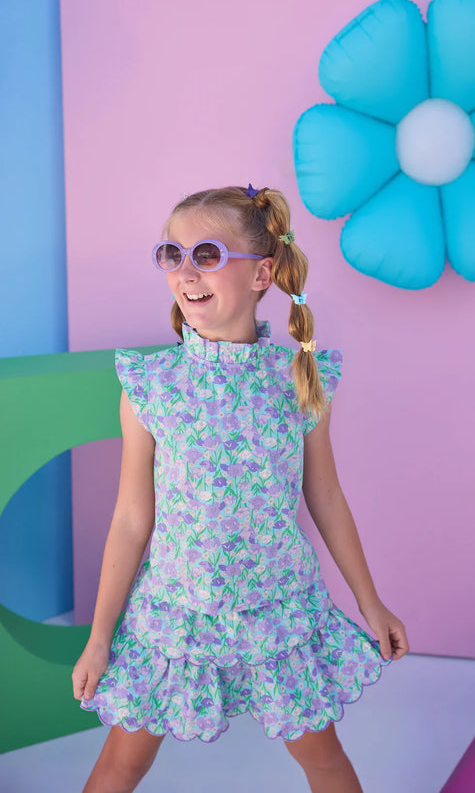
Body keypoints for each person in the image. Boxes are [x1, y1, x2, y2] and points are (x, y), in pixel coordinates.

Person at [72, 184, 409, 793]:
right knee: (123, 764)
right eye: (172, 255)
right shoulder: (152, 386)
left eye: (206, 254)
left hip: (279, 616)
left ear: (262, 274)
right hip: (176, 617)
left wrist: (370, 603)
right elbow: (130, 519)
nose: (185, 272)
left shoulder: (299, 381)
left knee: (324, 759)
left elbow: (326, 499)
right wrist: (100, 639)